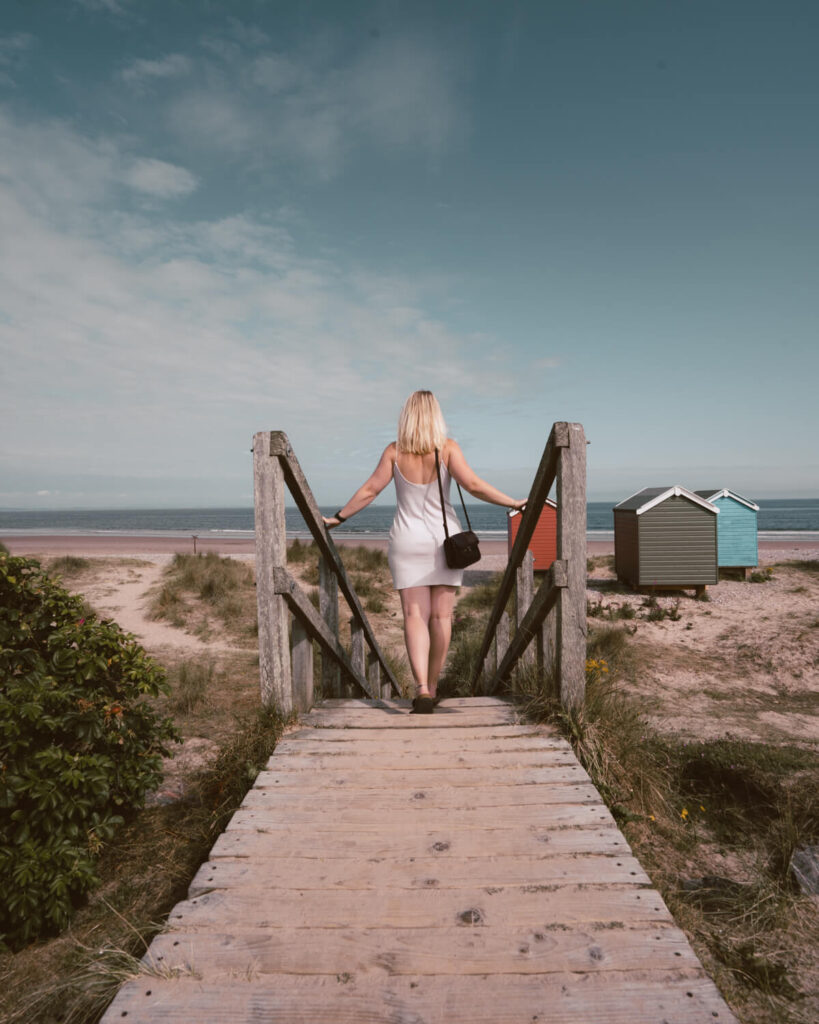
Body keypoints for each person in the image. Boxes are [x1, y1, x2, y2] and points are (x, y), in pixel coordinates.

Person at [323, 390, 526, 713]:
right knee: (441, 616)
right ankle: (432, 686)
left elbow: (370, 489)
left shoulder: (394, 452)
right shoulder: (447, 449)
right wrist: (514, 502)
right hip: (444, 543)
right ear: (435, 416)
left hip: (406, 541)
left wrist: (338, 518)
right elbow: (473, 485)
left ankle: (420, 689)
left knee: (414, 616)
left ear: (407, 416)